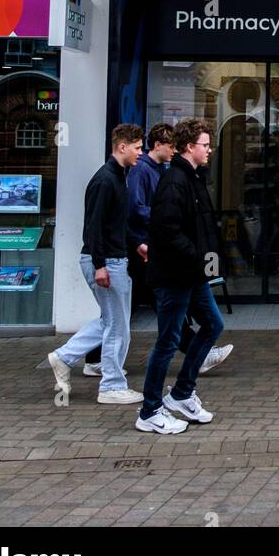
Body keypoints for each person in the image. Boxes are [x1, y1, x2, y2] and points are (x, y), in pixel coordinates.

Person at [84, 122, 232, 376]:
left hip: (144, 249)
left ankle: (88, 359)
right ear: (159, 145)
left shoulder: (159, 172)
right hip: (144, 250)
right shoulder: (139, 173)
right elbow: (130, 213)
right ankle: (104, 371)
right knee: (137, 318)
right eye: (170, 146)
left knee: (129, 315)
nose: (174, 150)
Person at [136, 119, 231, 435]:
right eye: (205, 144)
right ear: (190, 146)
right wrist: (197, 257)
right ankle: (149, 410)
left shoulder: (190, 177)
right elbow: (167, 230)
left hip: (192, 273)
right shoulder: (176, 181)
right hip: (176, 274)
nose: (209, 150)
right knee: (168, 341)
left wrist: (209, 263)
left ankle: (181, 393)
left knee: (213, 324)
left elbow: (200, 227)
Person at [46, 124, 145, 405]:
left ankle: (64, 357)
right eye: (137, 147)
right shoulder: (105, 180)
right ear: (122, 147)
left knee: (110, 321)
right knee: (117, 326)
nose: (141, 152)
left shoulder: (117, 177)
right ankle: (112, 386)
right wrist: (100, 265)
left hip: (110, 259)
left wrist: (136, 242)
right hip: (107, 262)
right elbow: (93, 227)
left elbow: (114, 224)